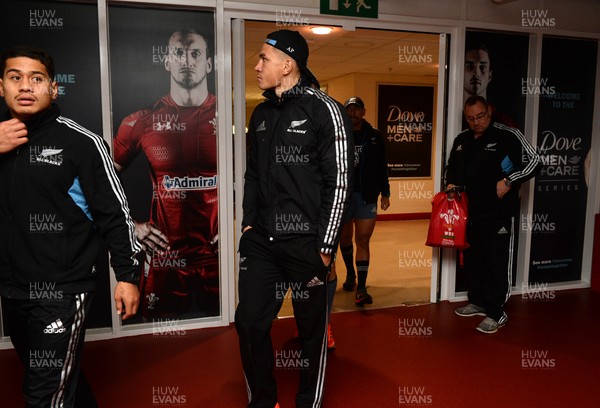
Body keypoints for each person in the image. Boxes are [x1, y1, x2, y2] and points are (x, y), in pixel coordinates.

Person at [0, 45, 141, 407]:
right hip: (13, 290)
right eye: (16, 78)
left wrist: (127, 275)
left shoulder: (81, 143)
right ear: (2, 87)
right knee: (56, 378)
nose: (26, 87)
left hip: (63, 291)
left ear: (53, 88)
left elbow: (116, 214)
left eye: (37, 79)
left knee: (44, 395)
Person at [235, 29, 353, 408]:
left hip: (306, 246)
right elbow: (252, 175)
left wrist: (324, 246)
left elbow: (340, 182)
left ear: (287, 65)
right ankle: (263, 400)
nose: (256, 66)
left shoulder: (325, 110)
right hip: (263, 243)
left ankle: (309, 402)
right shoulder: (262, 113)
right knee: (250, 323)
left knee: (310, 333)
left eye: (263, 59)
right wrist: (248, 224)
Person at [113, 26, 218, 319]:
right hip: (165, 260)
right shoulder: (141, 121)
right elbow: (100, 182)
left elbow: (258, 179)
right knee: (162, 349)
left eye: (195, 53)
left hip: (218, 260)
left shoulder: (228, 117)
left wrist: (240, 224)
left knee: (225, 342)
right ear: (167, 62)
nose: (187, 61)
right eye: (179, 53)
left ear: (208, 63)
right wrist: (131, 225)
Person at [445, 95, 540, 334]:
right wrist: (450, 185)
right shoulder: (462, 140)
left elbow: (536, 161)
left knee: (496, 262)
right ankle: (477, 301)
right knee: (474, 260)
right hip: (469, 213)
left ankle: (497, 312)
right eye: (470, 118)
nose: (476, 122)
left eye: (480, 116)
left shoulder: (507, 134)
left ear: (489, 112)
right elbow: (451, 170)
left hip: (498, 214)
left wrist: (510, 180)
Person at [338, 96, 390, 306]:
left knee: (363, 240)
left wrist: (385, 192)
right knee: (344, 238)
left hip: (367, 196)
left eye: (356, 109)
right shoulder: (338, 135)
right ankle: (350, 274)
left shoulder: (374, 136)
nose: (353, 113)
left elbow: (381, 166)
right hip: (343, 197)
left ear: (364, 111)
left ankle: (361, 287)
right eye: (349, 109)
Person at [463, 44, 519, 129]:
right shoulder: (451, 118)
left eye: (482, 67)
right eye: (470, 66)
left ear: (490, 76)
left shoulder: (505, 124)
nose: (476, 73)